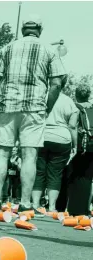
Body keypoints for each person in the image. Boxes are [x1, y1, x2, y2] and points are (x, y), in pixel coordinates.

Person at [0, 14, 65, 211]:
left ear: (23, 30)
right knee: (29, 155)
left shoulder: (7, 48)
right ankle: (25, 203)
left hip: (7, 105)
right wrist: (46, 107)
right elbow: (56, 83)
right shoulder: (49, 49)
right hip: (34, 108)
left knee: (2, 153)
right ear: (39, 30)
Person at [31, 76, 78, 214]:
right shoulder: (69, 102)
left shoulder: (41, 97)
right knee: (55, 174)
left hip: (41, 137)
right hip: (62, 139)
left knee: (39, 172)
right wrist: (75, 145)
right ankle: (51, 207)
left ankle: (35, 204)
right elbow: (72, 125)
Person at [67, 85, 93, 216]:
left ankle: (74, 209)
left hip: (80, 146)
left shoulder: (76, 108)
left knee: (74, 176)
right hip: (92, 146)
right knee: (88, 178)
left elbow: (72, 126)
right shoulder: (91, 107)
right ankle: (85, 209)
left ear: (76, 95)